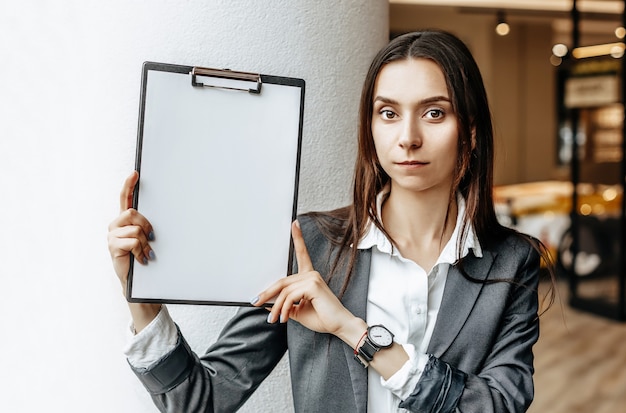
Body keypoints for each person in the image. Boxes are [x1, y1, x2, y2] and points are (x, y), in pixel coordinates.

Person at [108, 30, 555, 413]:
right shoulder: (310, 247)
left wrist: (354, 331)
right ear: (371, 126)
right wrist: (139, 295)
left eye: (434, 112)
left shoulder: (511, 262)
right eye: (389, 113)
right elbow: (200, 401)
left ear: (471, 131)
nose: (408, 138)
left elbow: (499, 404)